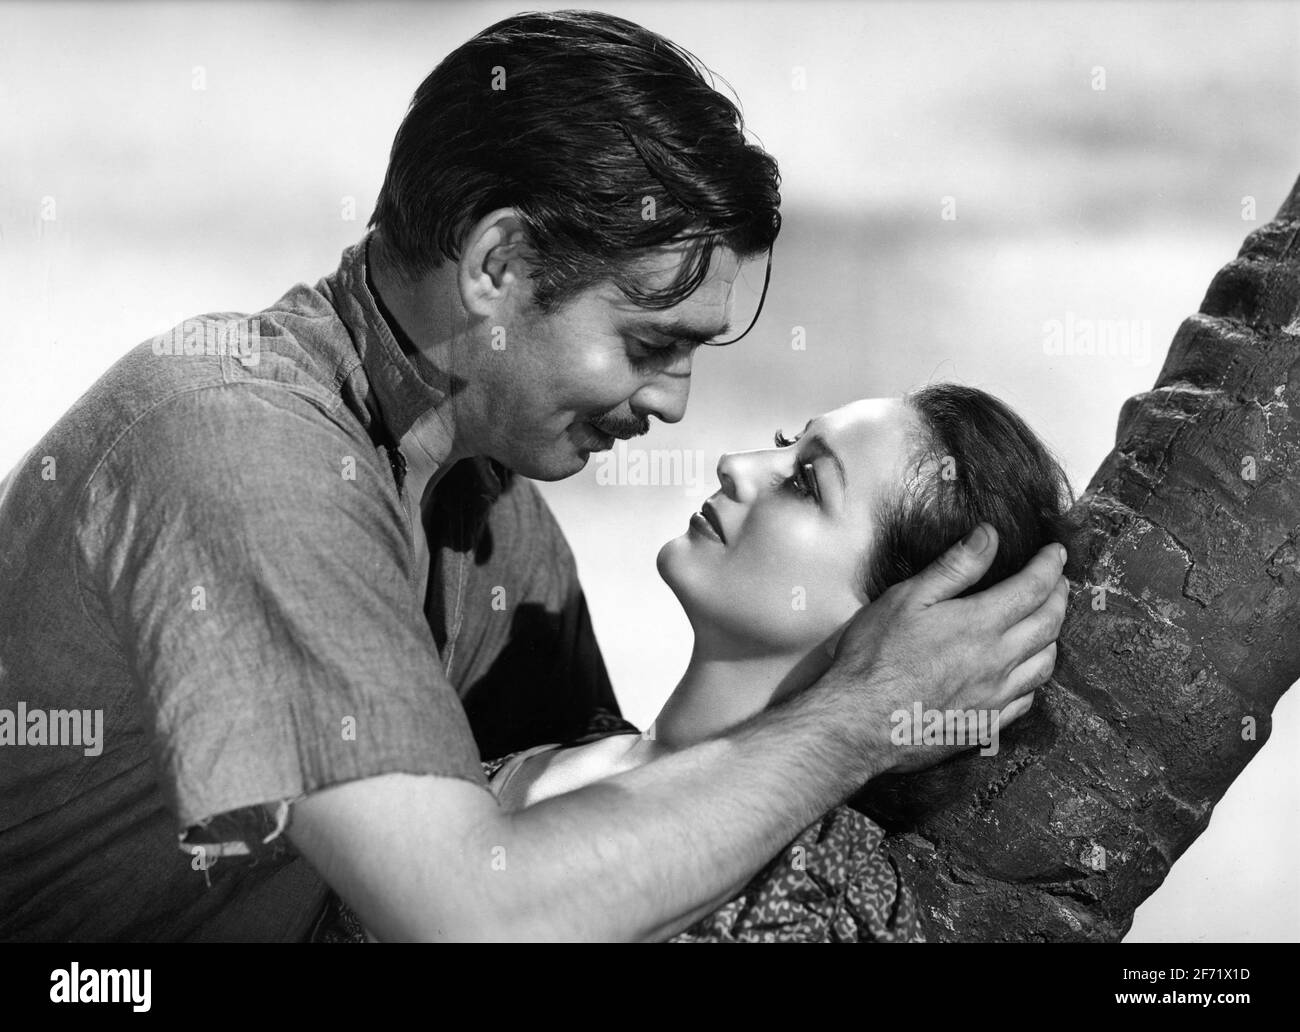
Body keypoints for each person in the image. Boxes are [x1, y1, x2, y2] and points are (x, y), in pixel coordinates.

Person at [0, 11, 1067, 942]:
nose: (678, 409)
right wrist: (863, 713)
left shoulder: (495, 528)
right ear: (498, 265)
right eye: (648, 344)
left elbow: (626, 818)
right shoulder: (242, 449)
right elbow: (478, 915)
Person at [476, 386, 1072, 942]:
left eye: (806, 483)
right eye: (787, 444)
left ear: (902, 620)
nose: (736, 464)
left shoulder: (822, 891)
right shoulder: (559, 733)